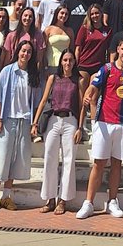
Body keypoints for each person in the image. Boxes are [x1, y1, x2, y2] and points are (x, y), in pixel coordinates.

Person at [76, 38, 123, 220]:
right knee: (99, 163)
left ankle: (113, 201)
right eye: (122, 48)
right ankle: (88, 203)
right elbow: (93, 87)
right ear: (118, 49)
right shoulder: (107, 68)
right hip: (104, 122)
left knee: (117, 164)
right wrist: (88, 98)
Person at [0, 37, 35, 211]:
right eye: (23, 51)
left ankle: (6, 196)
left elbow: (33, 100)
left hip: (24, 120)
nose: (26, 54)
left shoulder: (32, 74)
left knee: (15, 159)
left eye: (29, 52)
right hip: (7, 119)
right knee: (1, 157)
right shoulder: (7, 71)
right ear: (18, 52)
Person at [32, 49, 82, 214]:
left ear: (74, 63)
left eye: (71, 61)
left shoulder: (78, 81)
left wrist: (81, 127)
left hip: (70, 120)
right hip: (53, 119)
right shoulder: (53, 78)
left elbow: (82, 106)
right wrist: (35, 122)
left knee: (68, 160)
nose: (68, 63)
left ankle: (63, 200)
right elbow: (44, 99)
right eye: (65, 60)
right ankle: (50, 198)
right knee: (50, 158)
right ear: (61, 62)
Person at [74, 3, 110, 103]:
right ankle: (81, 118)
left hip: (98, 66)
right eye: (92, 14)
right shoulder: (85, 28)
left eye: (97, 13)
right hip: (83, 65)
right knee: (82, 99)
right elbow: (78, 48)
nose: (95, 16)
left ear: (101, 14)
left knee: (92, 98)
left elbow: (110, 50)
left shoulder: (107, 30)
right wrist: (76, 65)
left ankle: (93, 118)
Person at [2, 6, 46, 74]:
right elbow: (7, 58)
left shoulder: (38, 35)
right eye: (25, 15)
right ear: (21, 17)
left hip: (30, 71)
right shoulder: (12, 35)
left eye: (30, 16)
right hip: (14, 70)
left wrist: (36, 74)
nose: (27, 18)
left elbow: (39, 59)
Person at [42, 4, 74, 77]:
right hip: (51, 64)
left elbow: (72, 48)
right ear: (57, 14)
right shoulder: (48, 29)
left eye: (66, 14)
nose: (64, 16)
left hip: (65, 65)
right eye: (62, 13)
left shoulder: (69, 31)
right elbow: (43, 49)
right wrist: (45, 66)